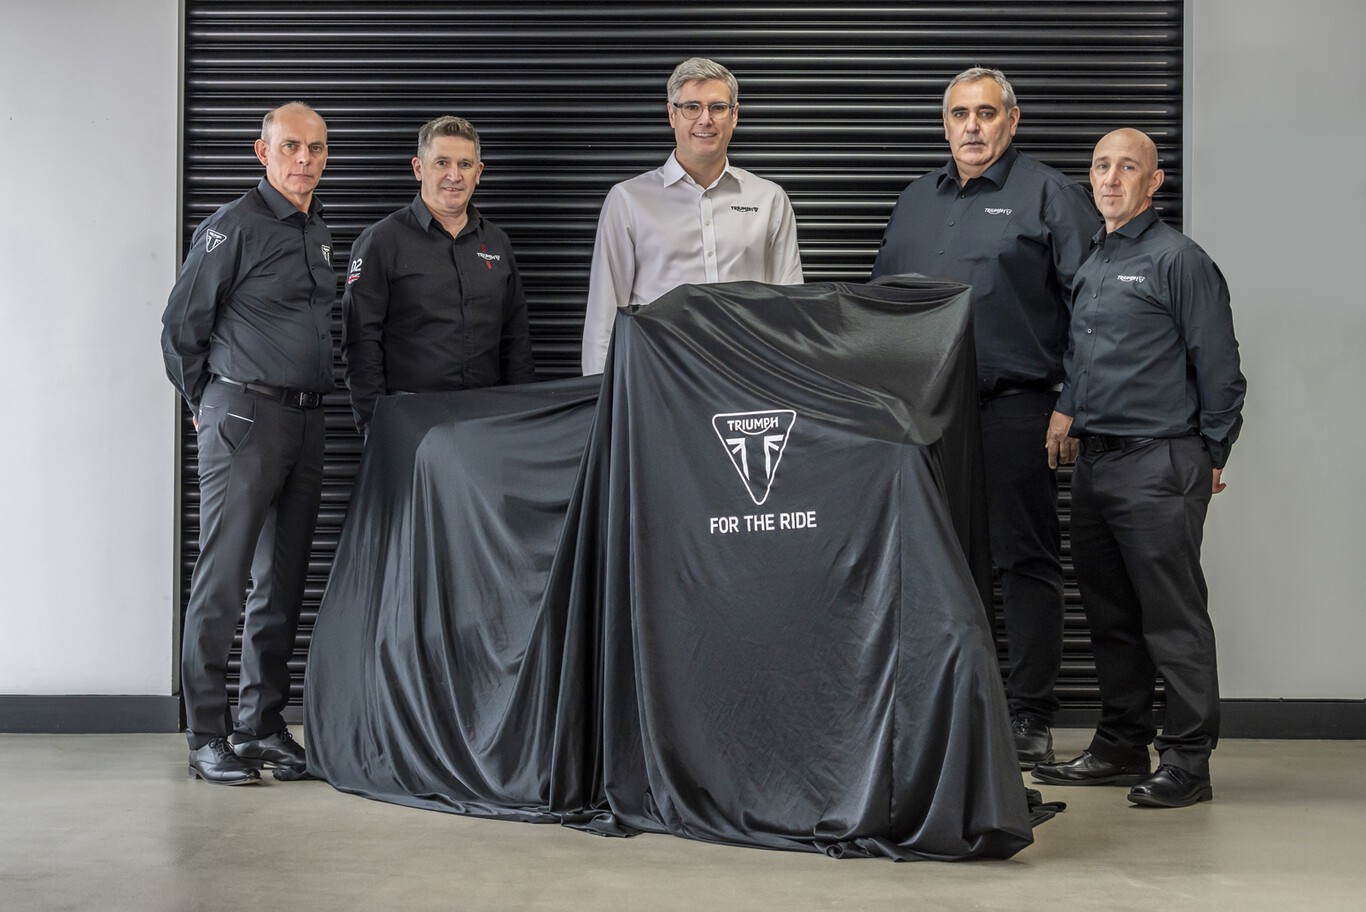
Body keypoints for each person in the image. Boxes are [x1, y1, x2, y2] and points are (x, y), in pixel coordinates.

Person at [871, 67, 1102, 767]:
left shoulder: (1050, 196)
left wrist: (1072, 403)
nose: (972, 127)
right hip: (921, 414)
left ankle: (1029, 714)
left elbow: (1095, 309)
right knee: (930, 560)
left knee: (1023, 560)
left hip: (1015, 406)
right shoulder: (915, 199)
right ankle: (946, 706)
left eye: (986, 113)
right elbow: (882, 306)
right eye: (960, 114)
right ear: (945, 124)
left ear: (1012, 119)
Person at [1032, 128, 1245, 808]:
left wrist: (1211, 453)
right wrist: (1068, 410)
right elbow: (1087, 358)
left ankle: (1187, 761)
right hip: (1097, 463)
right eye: (1101, 166)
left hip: (1159, 460)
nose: (1111, 177)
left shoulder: (1179, 259)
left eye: (1128, 167)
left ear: (1154, 182)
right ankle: (1122, 745)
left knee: (1172, 619)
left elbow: (1220, 368)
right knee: (1111, 616)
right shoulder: (1096, 258)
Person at [161, 102, 335, 785]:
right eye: (291, 146)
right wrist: (205, 404)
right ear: (263, 153)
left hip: (306, 422)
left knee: (281, 581)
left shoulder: (317, 229)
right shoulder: (231, 226)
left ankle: (260, 725)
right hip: (245, 418)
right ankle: (206, 733)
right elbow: (181, 326)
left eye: (316, 148)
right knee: (224, 578)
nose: (304, 159)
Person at [580, 57, 804, 375]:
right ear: (672, 114)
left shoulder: (769, 199)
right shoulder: (628, 200)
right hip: (657, 377)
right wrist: (598, 392)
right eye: (691, 107)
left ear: (734, 115)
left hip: (748, 376)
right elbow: (603, 316)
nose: (705, 120)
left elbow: (791, 309)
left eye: (717, 108)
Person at [343, 115, 536, 434]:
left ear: (478, 172)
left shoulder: (497, 242)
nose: (454, 175)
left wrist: (523, 420)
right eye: (442, 162)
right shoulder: (381, 241)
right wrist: (376, 427)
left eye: (465, 164)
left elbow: (515, 340)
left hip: (487, 421)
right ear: (418, 168)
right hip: (409, 421)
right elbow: (361, 345)